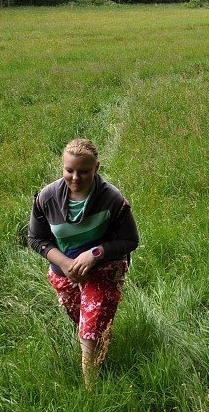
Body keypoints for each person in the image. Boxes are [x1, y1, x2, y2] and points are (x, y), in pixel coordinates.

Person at [28, 138, 139, 387]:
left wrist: (95, 254)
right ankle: (100, 347)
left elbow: (130, 240)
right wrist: (66, 263)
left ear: (96, 168)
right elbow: (36, 239)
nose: (76, 177)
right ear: (63, 168)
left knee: (91, 323)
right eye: (69, 170)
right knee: (82, 318)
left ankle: (91, 387)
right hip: (63, 270)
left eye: (84, 171)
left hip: (105, 266)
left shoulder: (111, 199)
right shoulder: (47, 198)